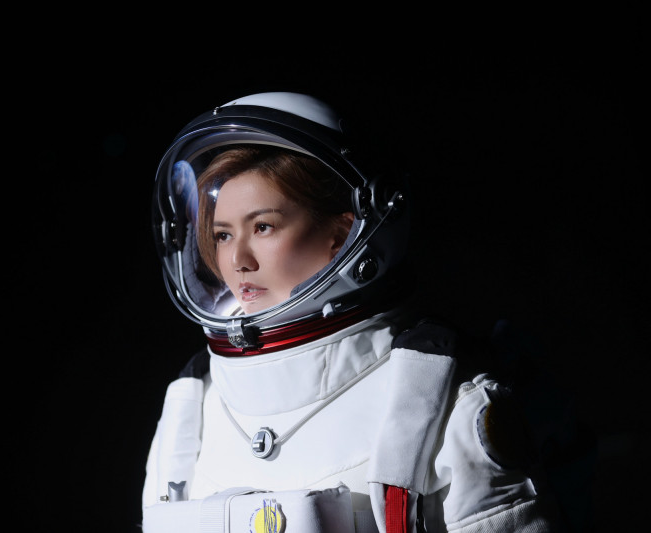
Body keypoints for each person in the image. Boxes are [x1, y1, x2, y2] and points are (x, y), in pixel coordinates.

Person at [143, 92, 556, 532]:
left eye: (263, 227)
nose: (238, 261)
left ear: (344, 233)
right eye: (223, 235)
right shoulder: (193, 406)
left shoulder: (439, 402)